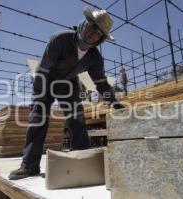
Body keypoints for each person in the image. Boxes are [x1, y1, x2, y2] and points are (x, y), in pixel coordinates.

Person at [9, 7, 124, 180]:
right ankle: (29, 165)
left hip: (68, 84)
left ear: (101, 39)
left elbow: (101, 83)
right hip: (46, 79)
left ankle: (83, 159)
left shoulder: (94, 58)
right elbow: (44, 69)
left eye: (99, 34)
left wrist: (114, 103)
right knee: (38, 118)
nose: (94, 34)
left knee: (77, 119)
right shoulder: (60, 39)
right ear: (85, 24)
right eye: (93, 28)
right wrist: (40, 98)